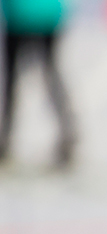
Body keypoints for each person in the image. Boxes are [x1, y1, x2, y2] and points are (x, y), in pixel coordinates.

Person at [0, 0, 76, 168]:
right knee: (50, 74)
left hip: (20, 15)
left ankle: (5, 138)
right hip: (47, 15)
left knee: (12, 81)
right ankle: (69, 132)